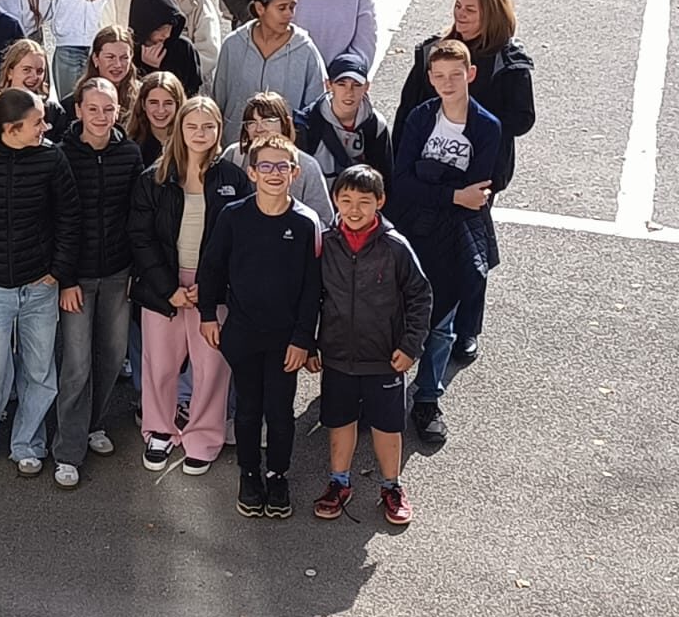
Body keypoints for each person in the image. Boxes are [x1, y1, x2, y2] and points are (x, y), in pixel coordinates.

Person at [391, 0, 533, 363]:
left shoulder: (509, 61)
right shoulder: (433, 52)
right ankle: (417, 323)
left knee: (470, 256)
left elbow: (522, 118)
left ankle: (466, 329)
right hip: (427, 171)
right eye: (459, 6)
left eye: (471, 9)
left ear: (492, 14)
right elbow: (406, 109)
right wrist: (398, 165)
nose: (461, 14)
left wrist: (470, 114)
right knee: (420, 247)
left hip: (478, 175)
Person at [0, 88, 81, 476]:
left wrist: (58, 271)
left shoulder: (52, 157)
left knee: (39, 372)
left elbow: (70, 217)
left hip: (41, 285)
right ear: (11, 129)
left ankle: (28, 443)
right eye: (37, 122)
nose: (46, 127)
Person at [197, 136, 323, 519]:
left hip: (286, 341)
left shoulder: (305, 223)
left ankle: (277, 474)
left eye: (282, 166)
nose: (273, 173)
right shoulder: (233, 216)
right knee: (248, 409)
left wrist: (304, 339)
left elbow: (313, 288)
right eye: (265, 166)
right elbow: (212, 267)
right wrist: (207, 314)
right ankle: (249, 474)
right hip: (243, 334)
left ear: (295, 173)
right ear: (251, 172)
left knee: (280, 411)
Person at [388, 39, 501, 446]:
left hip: (456, 234)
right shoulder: (421, 118)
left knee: (442, 323)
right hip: (413, 229)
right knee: (397, 310)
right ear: (430, 79)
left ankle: (427, 398)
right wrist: (452, 191)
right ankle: (385, 388)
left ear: (471, 74)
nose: (447, 82)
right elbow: (402, 182)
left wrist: (429, 174)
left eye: (456, 74)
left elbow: (480, 190)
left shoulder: (487, 126)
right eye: (439, 76)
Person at [130, 96, 250, 474]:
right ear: (180, 129)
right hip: (163, 288)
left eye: (208, 126)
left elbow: (242, 241)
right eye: (192, 126)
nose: (200, 134)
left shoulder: (233, 179)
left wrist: (212, 286)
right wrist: (169, 288)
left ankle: (203, 437)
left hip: (211, 290)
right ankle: (160, 431)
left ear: (219, 130)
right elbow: (141, 238)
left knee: (212, 367)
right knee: (160, 365)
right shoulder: (155, 177)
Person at [311, 165, 432, 527]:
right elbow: (310, 297)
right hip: (337, 355)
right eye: (346, 199)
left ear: (380, 202)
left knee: (387, 426)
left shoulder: (395, 247)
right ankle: (339, 482)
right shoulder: (325, 244)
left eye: (364, 201)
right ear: (335, 199)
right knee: (340, 420)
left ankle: (391, 486)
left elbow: (420, 296)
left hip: (384, 357)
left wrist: (410, 346)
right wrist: (310, 344)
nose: (354, 209)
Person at [52, 78, 142, 487]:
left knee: (112, 354)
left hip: (118, 274)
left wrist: (135, 271)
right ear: (78, 111)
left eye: (109, 108)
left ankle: (93, 424)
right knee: (76, 364)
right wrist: (66, 278)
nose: (102, 116)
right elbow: (55, 220)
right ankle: (68, 451)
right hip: (77, 278)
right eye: (93, 108)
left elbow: (137, 216)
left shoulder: (130, 153)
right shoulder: (61, 154)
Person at [209, 0, 327, 146]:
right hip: (235, 146)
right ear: (260, 8)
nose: (289, 14)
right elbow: (219, 98)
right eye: (282, 8)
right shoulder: (233, 44)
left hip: (282, 151)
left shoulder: (306, 50)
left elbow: (317, 105)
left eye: (292, 7)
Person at [221, 92, 332, 222]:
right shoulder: (233, 156)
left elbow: (324, 219)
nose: (259, 129)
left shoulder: (307, 166)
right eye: (252, 122)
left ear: (285, 123)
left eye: (267, 121)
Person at [296, 53, 393, 192]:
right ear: (328, 85)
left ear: (366, 87)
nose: (349, 92)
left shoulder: (375, 125)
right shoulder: (308, 123)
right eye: (341, 84)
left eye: (357, 85)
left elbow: (385, 178)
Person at [127, 0, 202, 97]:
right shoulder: (127, 52)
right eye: (159, 29)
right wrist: (148, 68)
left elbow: (193, 92)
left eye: (169, 27)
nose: (166, 34)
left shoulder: (184, 49)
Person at [58, 24, 138, 125]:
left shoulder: (142, 96)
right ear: (95, 59)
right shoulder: (73, 102)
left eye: (124, 58)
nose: (118, 64)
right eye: (110, 57)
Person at [0, 37, 66, 138]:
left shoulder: (54, 113)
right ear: (9, 72)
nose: (34, 77)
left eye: (39, 71)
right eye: (26, 70)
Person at [126, 70, 186, 170]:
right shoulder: (131, 147)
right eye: (153, 102)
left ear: (178, 105)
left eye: (168, 103)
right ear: (143, 104)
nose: (161, 110)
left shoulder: (190, 142)